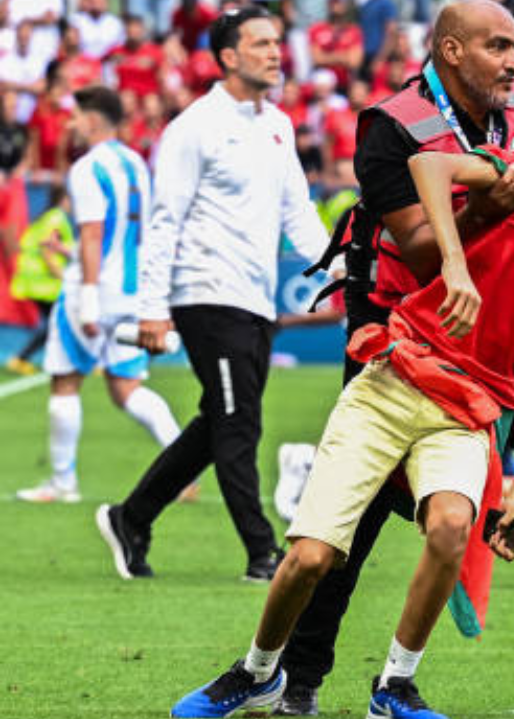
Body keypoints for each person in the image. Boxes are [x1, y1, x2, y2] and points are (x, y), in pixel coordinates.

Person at [169, 115, 514, 719]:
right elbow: (427, 164)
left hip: (469, 409)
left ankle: (395, 686)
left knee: (453, 527)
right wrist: (453, 263)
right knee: (309, 558)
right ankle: (258, 672)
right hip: (396, 378)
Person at [274, 3, 514, 715]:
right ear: (451, 51)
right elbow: (420, 247)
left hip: (497, 329)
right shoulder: (391, 122)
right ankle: (299, 673)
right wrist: (484, 215)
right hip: (400, 319)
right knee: (358, 508)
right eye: (499, 47)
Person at [94, 5, 329, 582]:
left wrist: (340, 268)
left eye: (277, 42)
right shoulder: (192, 128)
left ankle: (132, 517)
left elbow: (297, 212)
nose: (276, 52)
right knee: (239, 422)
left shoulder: (277, 124)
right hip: (203, 293)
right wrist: (152, 307)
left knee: (220, 420)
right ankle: (262, 552)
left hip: (254, 298)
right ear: (227, 56)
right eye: (261, 43)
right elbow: (164, 220)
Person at [14, 86, 181, 505]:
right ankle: (181, 465)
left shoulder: (88, 168)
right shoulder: (138, 165)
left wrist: (87, 295)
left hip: (89, 291)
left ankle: (62, 484)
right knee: (127, 386)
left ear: (91, 120)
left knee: (65, 381)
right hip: (131, 289)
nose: (69, 124)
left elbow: (91, 234)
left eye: (74, 117)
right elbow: (130, 233)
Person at [5, 185, 73, 377]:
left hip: (35, 280)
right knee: (57, 323)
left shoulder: (47, 216)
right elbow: (47, 251)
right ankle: (22, 358)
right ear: (65, 198)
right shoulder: (56, 218)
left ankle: (27, 358)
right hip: (45, 283)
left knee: (56, 323)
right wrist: (63, 276)